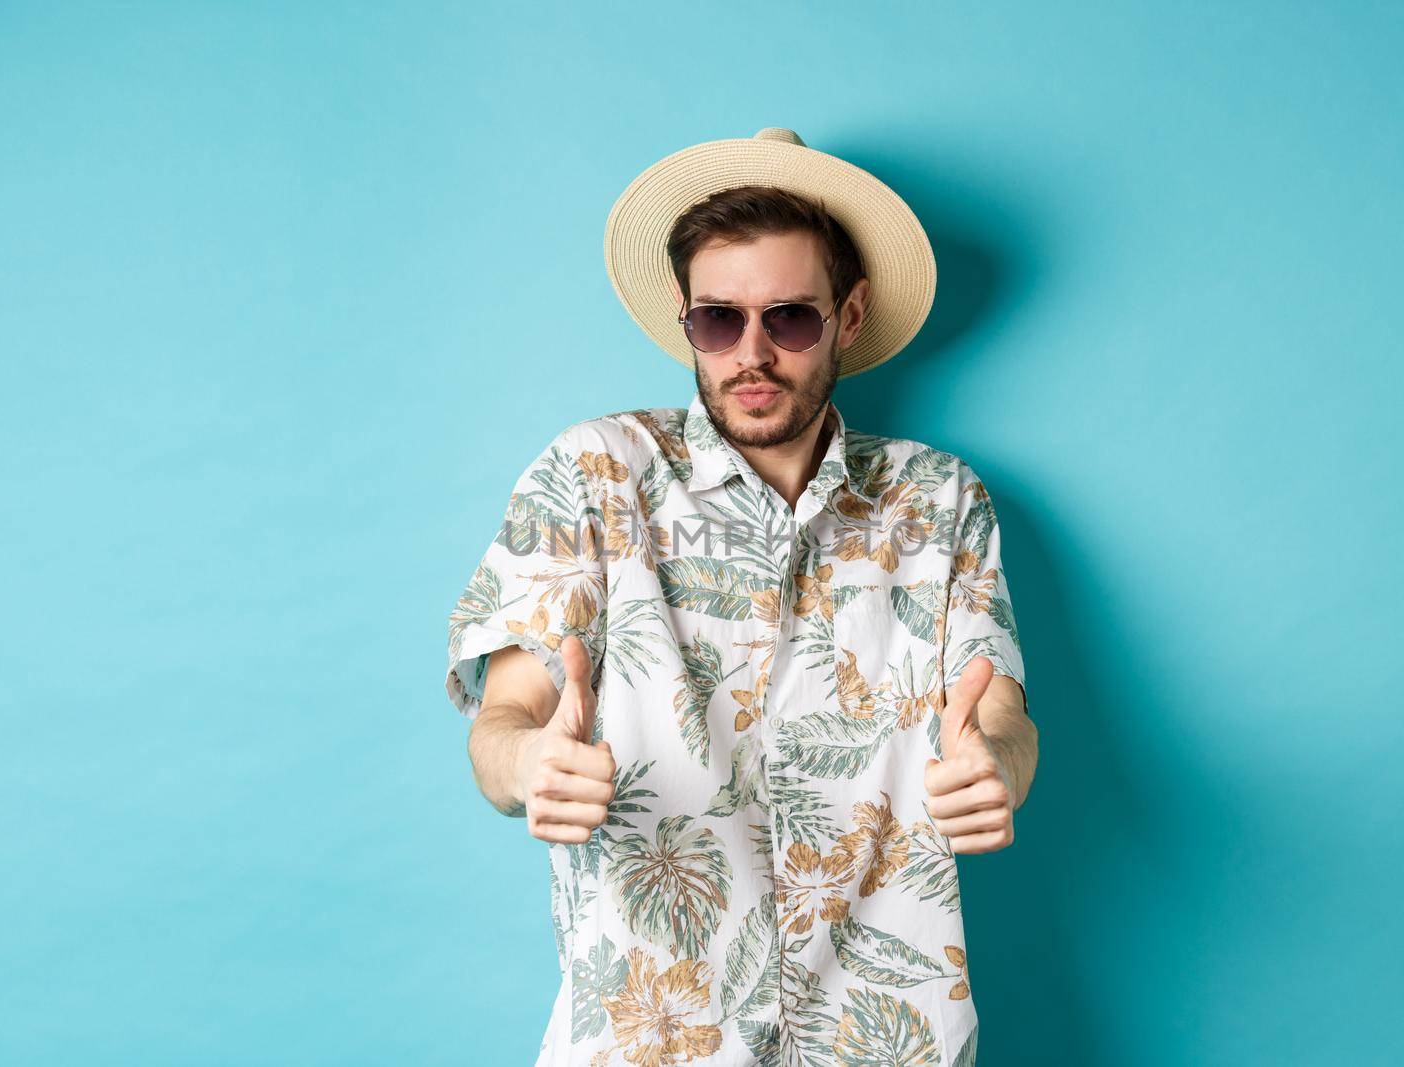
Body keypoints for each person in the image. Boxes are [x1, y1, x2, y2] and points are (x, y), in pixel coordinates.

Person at [445, 127, 1038, 1067]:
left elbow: (999, 713)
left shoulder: (940, 500)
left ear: (848, 317)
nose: (751, 353)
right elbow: (507, 718)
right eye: (719, 320)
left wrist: (995, 766)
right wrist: (526, 767)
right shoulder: (593, 476)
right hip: (652, 1038)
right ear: (687, 319)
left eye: (789, 318)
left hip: (888, 1037)